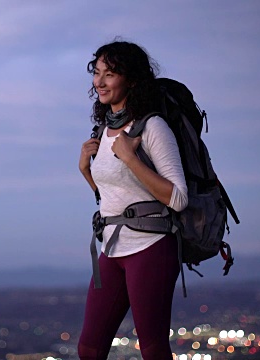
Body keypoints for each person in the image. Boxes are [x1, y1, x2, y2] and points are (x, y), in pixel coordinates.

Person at [77, 40, 189, 359]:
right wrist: (86, 171)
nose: (99, 81)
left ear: (132, 80)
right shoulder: (102, 130)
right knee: (89, 348)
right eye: (97, 73)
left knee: (152, 349)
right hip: (110, 249)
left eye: (110, 74)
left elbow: (178, 198)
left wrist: (130, 157)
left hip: (151, 248)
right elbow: (114, 198)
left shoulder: (153, 127)